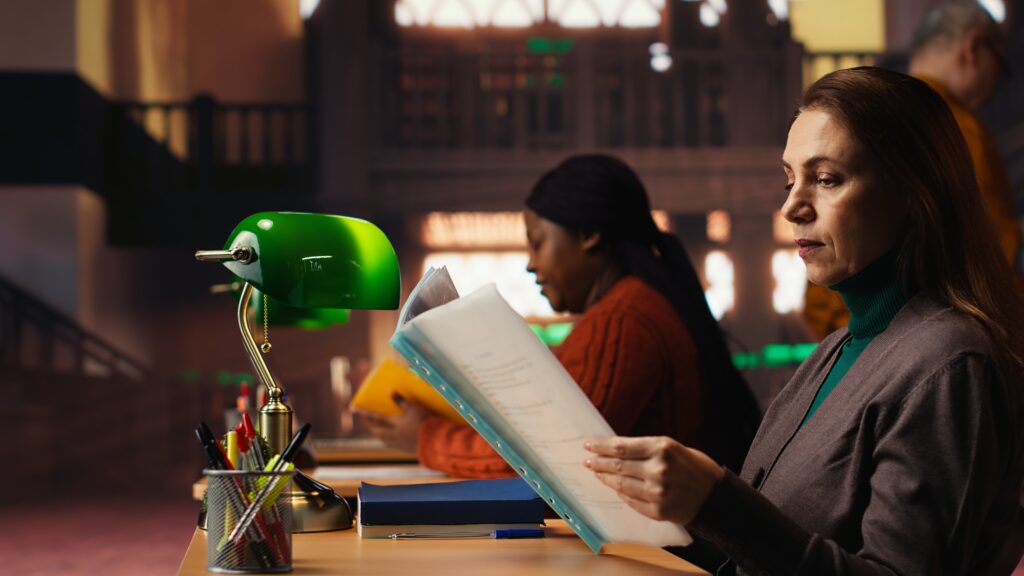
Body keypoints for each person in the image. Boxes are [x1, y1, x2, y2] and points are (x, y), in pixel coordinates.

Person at [584, 67, 1024, 575]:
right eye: (791, 178)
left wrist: (716, 503)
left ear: (913, 192)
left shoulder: (949, 364)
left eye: (826, 179)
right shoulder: (834, 351)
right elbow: (751, 553)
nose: (791, 206)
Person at [366, 154, 762, 478]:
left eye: (538, 244)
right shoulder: (635, 307)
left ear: (589, 234)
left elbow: (550, 464)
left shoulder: (623, 321)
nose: (531, 265)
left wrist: (425, 437)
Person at [909, 1, 1019, 266]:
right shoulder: (960, 131)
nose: (994, 91)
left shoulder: (870, 114)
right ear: (973, 49)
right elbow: (997, 251)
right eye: (1000, 67)